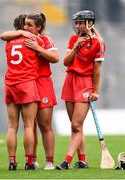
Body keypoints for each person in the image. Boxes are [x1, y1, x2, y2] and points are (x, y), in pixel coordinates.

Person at [1, 13, 59, 170]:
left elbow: (55, 57)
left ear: (38, 27)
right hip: (27, 83)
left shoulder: (44, 39)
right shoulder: (19, 38)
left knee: (45, 125)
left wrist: (38, 48)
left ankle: (49, 161)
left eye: (29, 25)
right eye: (25, 25)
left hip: (41, 82)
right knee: (30, 125)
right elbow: (4, 35)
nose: (26, 27)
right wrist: (22, 33)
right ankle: (31, 160)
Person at [56, 10, 105, 170]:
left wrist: (95, 91)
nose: (77, 26)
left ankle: (67, 161)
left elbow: (97, 70)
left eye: (81, 22)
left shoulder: (98, 43)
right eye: (76, 23)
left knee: (76, 125)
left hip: (85, 84)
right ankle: (82, 160)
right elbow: (66, 62)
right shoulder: (73, 39)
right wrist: (76, 46)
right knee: (75, 126)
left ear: (90, 23)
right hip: (70, 82)